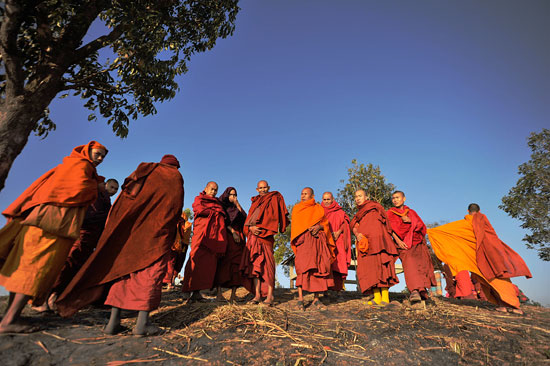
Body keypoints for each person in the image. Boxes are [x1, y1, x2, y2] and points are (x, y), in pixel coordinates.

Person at [56, 155, 184, 336]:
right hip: (155, 235)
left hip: (131, 233)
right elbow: (173, 208)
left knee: (122, 274)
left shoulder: (145, 171)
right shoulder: (174, 176)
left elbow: (126, 200)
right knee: (149, 275)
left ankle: (113, 323)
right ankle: (142, 324)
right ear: (176, 166)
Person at [0, 141, 107, 333]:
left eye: (103, 157)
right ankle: (9, 320)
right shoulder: (80, 166)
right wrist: (95, 186)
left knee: (24, 271)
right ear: (87, 151)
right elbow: (76, 191)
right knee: (35, 272)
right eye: (97, 154)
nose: (99, 159)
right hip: (51, 226)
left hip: (39, 222)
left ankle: (11, 316)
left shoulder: (70, 166)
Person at [427, 203, 532, 314]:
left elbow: (445, 231)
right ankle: (505, 306)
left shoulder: (466, 223)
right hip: (491, 256)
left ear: (468, 211)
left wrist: (430, 231)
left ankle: (515, 307)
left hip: (478, 258)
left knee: (494, 281)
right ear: (479, 210)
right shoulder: (484, 222)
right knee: (497, 280)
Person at [34, 178, 120, 312]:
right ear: (104, 185)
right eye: (111, 187)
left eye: (116, 189)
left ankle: (58, 298)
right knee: (68, 263)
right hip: (81, 237)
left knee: (77, 268)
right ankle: (45, 297)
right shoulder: (95, 196)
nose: (113, 191)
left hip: (90, 242)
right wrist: (107, 216)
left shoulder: (106, 200)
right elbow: (88, 216)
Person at [240, 180, 289, 305]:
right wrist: (250, 228)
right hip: (253, 238)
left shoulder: (274, 198)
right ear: (257, 189)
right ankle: (257, 295)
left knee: (268, 267)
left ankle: (270, 296)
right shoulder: (255, 202)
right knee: (255, 267)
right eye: (260, 188)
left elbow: (275, 217)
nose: (262, 190)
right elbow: (248, 220)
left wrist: (264, 228)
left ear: (268, 188)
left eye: (264, 187)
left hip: (265, 238)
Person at [350, 190, 399, 306]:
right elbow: (354, 226)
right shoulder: (359, 213)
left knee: (382, 268)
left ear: (366, 197)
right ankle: (377, 297)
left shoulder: (375, 207)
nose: (358, 198)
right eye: (356, 196)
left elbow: (385, 222)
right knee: (370, 270)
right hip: (366, 244)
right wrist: (357, 234)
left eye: (360, 196)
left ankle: (385, 298)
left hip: (379, 242)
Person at [181, 182, 227, 303]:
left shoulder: (217, 203)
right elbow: (199, 210)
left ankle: (197, 293)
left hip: (212, 238)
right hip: (201, 236)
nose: (213, 192)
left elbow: (222, 216)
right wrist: (215, 212)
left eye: (216, 190)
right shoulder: (199, 199)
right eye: (212, 189)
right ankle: (186, 290)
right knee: (194, 260)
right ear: (206, 189)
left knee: (205, 265)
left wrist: (215, 212)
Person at [387, 191, 435, 303]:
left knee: (420, 265)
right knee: (409, 264)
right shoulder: (390, 213)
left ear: (404, 199)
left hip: (417, 242)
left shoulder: (411, 212)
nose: (395, 200)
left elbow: (421, 226)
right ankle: (414, 290)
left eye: (397, 197)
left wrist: (410, 220)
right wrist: (398, 241)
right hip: (403, 244)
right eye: (393, 198)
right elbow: (389, 229)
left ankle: (422, 290)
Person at [291, 188, 335, 310]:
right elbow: (296, 227)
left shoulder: (318, 208)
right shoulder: (297, 209)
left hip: (317, 241)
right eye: (302, 194)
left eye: (306, 194)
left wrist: (319, 226)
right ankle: (300, 299)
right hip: (303, 242)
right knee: (302, 268)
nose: (303, 196)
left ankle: (316, 299)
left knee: (318, 268)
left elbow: (325, 224)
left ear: (312, 196)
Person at [215, 187, 247, 303]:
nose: (233, 197)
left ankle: (233, 295)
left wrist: (237, 203)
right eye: (231, 195)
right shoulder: (221, 205)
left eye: (235, 195)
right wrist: (233, 233)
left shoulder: (235, 207)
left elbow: (245, 218)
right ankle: (219, 294)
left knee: (236, 265)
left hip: (238, 239)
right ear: (226, 195)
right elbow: (222, 221)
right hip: (226, 236)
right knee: (223, 264)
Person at [321, 192, 351, 294]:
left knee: (339, 263)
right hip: (325, 241)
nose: (326, 202)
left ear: (333, 199)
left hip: (338, 241)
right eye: (324, 199)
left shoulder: (339, 211)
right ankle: (326, 290)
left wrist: (338, 232)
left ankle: (338, 289)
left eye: (328, 199)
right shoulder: (319, 210)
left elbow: (345, 223)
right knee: (326, 263)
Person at [163, 210, 192, 291]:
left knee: (176, 264)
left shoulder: (187, 224)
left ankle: (170, 282)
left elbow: (185, 234)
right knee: (171, 263)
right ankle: (169, 283)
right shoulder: (175, 222)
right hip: (175, 245)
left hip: (180, 245)